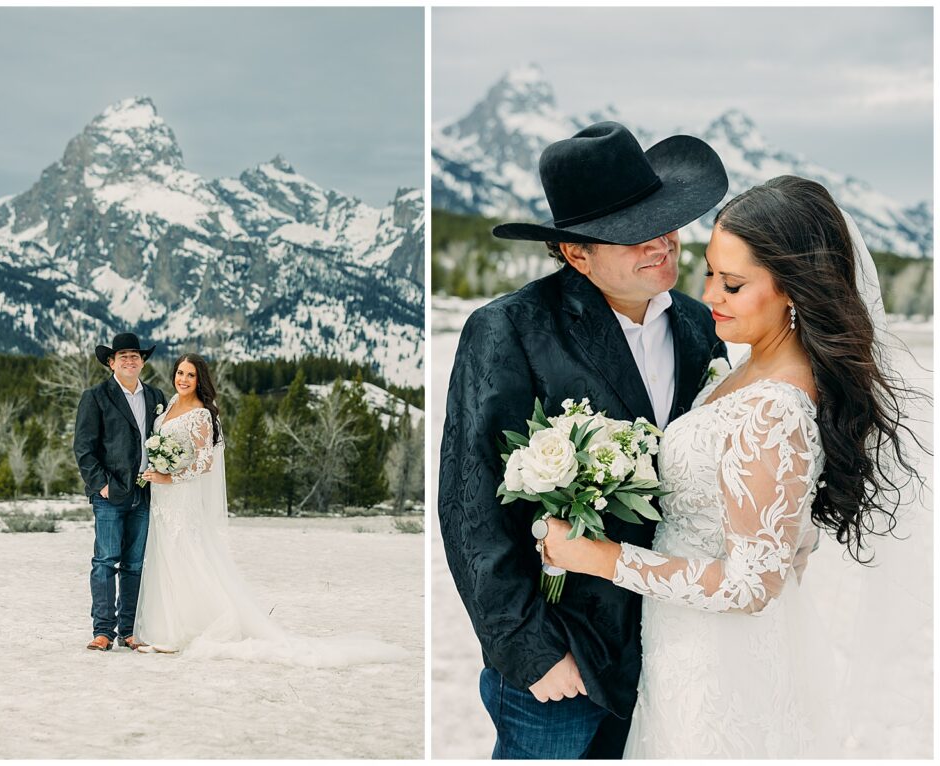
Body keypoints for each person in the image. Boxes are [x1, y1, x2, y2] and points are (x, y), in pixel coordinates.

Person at [541, 175, 925, 758]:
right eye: (710, 273)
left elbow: (752, 585)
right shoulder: (747, 367)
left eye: (734, 284)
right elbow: (789, 545)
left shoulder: (774, 409)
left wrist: (600, 558)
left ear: (793, 288)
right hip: (688, 642)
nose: (710, 295)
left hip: (717, 663)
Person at [437, 122, 729, 759]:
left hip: (671, 646)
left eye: (665, 222)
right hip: (561, 658)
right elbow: (468, 504)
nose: (662, 242)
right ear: (576, 254)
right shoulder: (509, 329)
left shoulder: (701, 325)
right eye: (634, 232)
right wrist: (529, 650)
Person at [133, 353, 407, 666]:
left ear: (200, 380)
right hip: (162, 497)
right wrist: (159, 468)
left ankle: (184, 630)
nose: (183, 379)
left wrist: (169, 476)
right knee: (165, 554)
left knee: (186, 555)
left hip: (182, 495)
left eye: (190, 375)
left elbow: (204, 462)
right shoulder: (169, 404)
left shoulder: (201, 415)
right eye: (180, 373)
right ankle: (164, 628)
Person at [74, 332, 167, 651]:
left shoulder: (156, 397)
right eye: (123, 356)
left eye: (135, 355)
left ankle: (129, 630)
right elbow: (84, 448)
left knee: (135, 564)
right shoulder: (96, 396)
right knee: (105, 561)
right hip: (110, 493)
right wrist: (101, 485)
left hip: (145, 491)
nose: (130, 360)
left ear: (142, 362)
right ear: (111, 363)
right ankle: (103, 631)